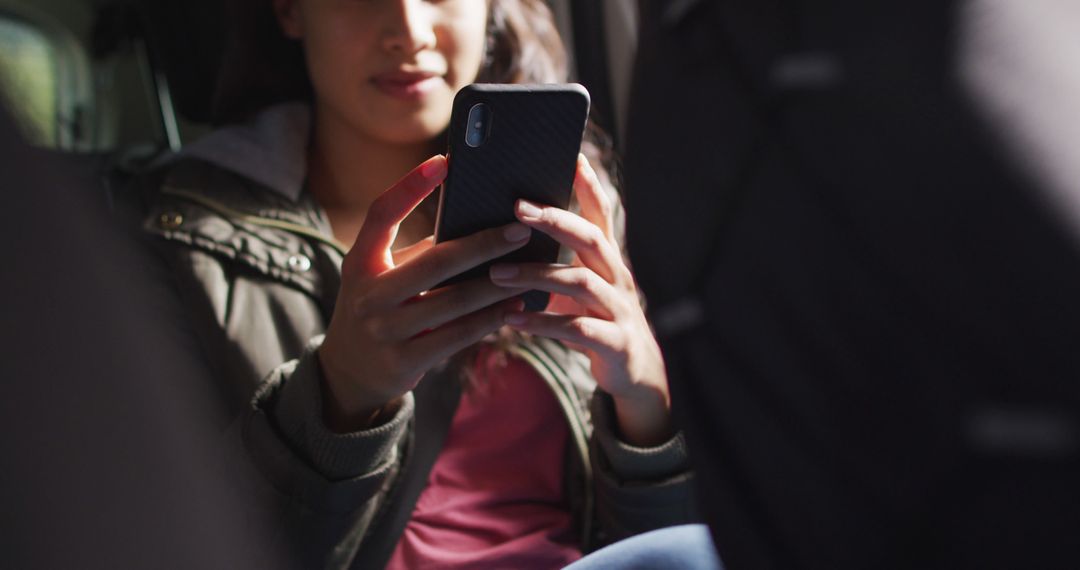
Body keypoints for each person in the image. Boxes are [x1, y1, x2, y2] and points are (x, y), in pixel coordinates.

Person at [122, 0, 699, 568]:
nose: (408, 30)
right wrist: (339, 392)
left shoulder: (573, 213)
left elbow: (666, 541)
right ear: (289, 11)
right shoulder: (180, 238)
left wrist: (647, 405)